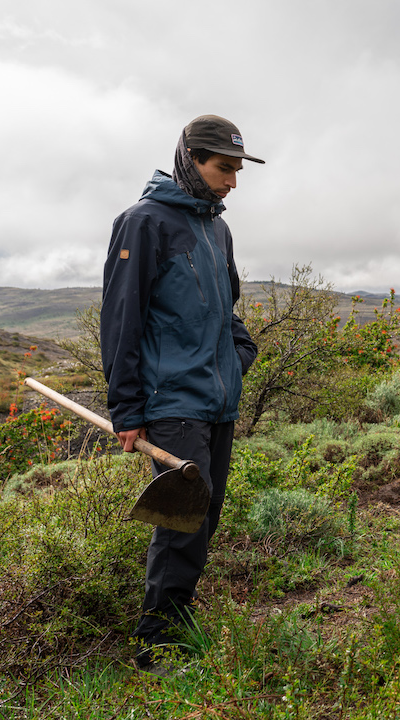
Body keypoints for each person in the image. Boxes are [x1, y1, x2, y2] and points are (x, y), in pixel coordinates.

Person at [100, 114, 262, 672]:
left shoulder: (217, 229)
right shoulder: (143, 223)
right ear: (189, 158)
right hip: (171, 402)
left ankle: (177, 616)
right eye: (224, 168)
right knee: (181, 520)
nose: (232, 182)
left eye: (238, 170)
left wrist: (240, 357)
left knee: (207, 513)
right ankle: (156, 643)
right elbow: (122, 320)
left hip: (218, 401)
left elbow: (229, 309)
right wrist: (126, 409)